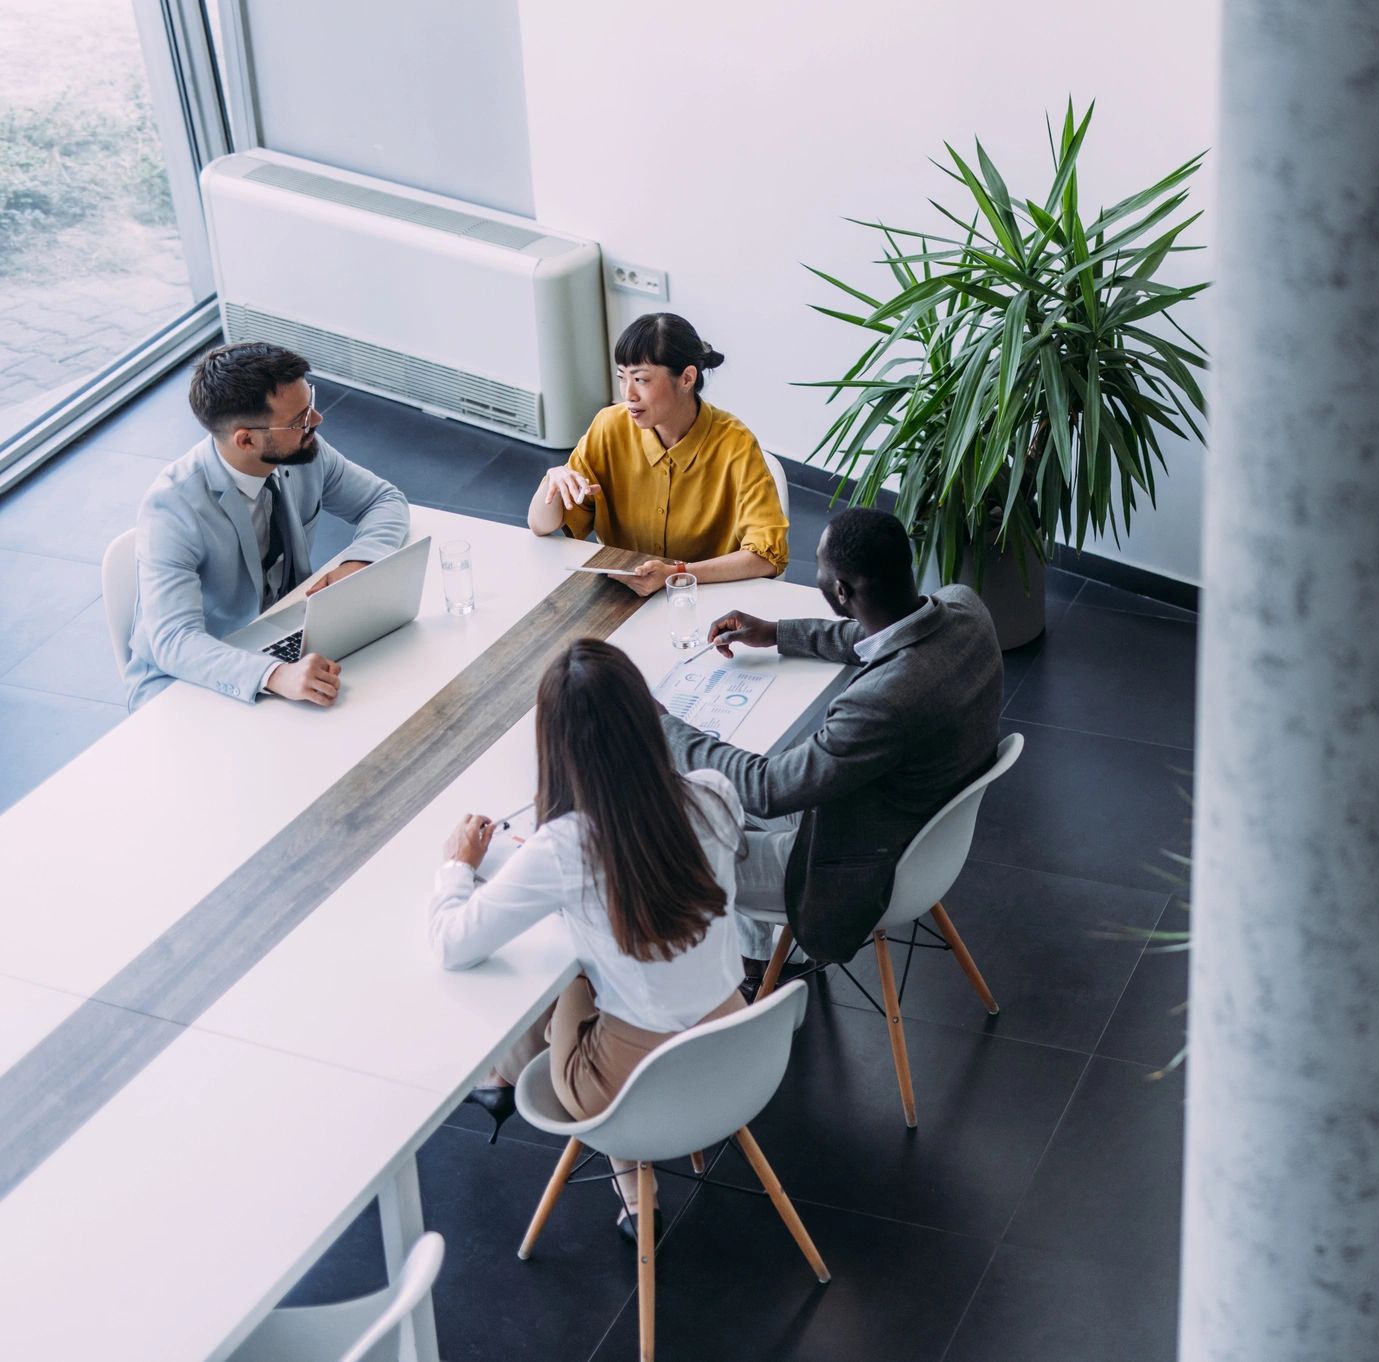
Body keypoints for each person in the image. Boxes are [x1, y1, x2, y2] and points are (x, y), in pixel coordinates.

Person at [428, 638, 751, 1240]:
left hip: (627, 1087)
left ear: (557, 747)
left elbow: (452, 943)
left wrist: (457, 866)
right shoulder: (714, 794)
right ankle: (627, 1188)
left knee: (567, 971)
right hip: (735, 1049)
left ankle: (506, 1082)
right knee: (596, 955)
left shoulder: (567, 847)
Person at [658, 506, 1004, 988]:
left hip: (852, 867)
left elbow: (767, 788)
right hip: (922, 826)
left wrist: (658, 724)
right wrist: (778, 633)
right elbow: (885, 635)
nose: (817, 576)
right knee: (723, 783)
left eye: (821, 571)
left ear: (841, 591)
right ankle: (763, 959)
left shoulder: (882, 703)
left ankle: (706, 973)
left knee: (666, 828)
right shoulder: (966, 608)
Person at [124, 342, 409, 710]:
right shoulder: (170, 508)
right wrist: (273, 675)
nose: (317, 421)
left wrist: (360, 561)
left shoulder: (304, 450)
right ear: (246, 439)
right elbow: (175, 641)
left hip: (284, 635)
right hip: (194, 679)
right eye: (298, 420)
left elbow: (384, 500)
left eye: (311, 403)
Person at [527, 312, 788, 597]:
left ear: (687, 378)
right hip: (620, 599)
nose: (628, 393)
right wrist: (551, 480)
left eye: (641, 379)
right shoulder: (609, 426)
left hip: (705, 599)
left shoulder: (735, 444)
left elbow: (767, 557)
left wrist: (678, 574)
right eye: (621, 377)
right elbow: (541, 525)